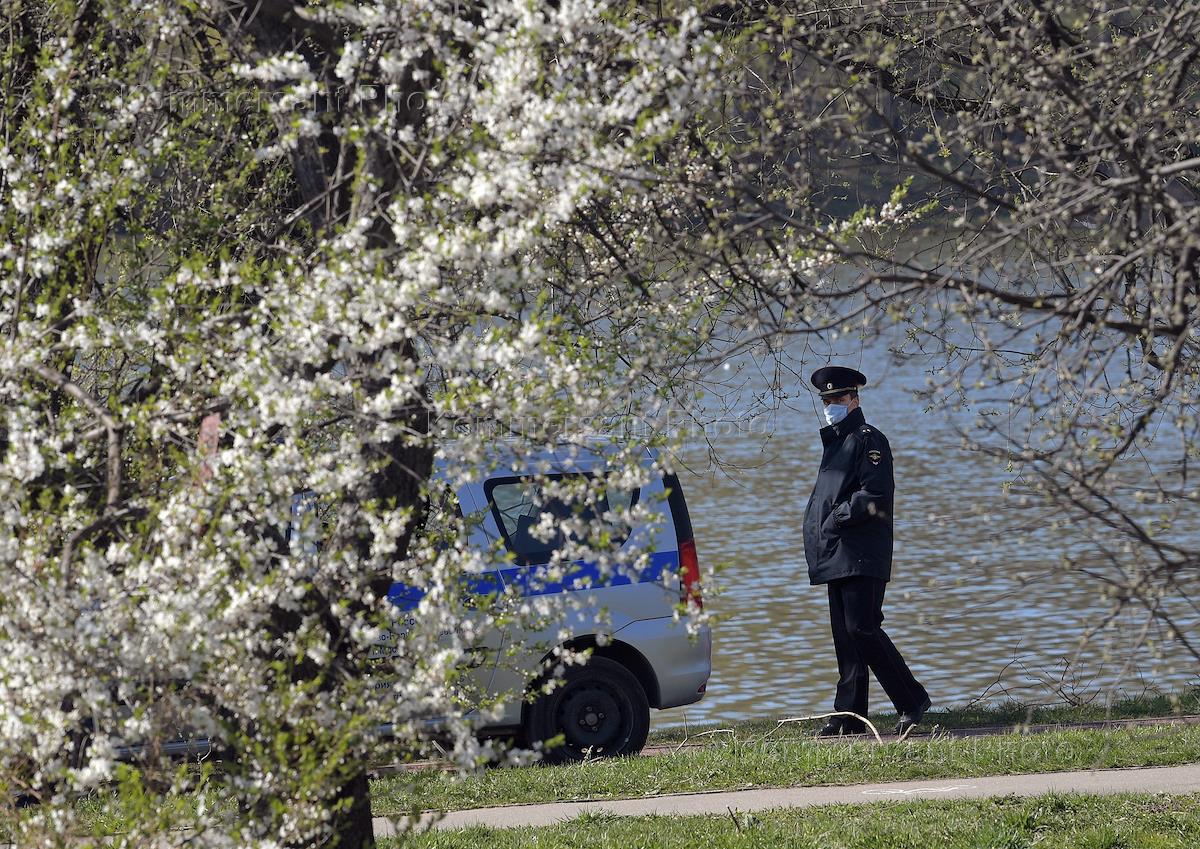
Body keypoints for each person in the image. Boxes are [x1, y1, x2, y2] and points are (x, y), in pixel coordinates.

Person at [802, 365, 931, 736]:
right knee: (845, 635)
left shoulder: (868, 439)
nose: (831, 405)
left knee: (863, 628)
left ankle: (911, 699)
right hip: (835, 551)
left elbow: (874, 494)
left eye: (838, 398)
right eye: (826, 399)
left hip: (860, 551)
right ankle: (850, 714)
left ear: (854, 399)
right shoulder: (835, 442)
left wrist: (836, 518)